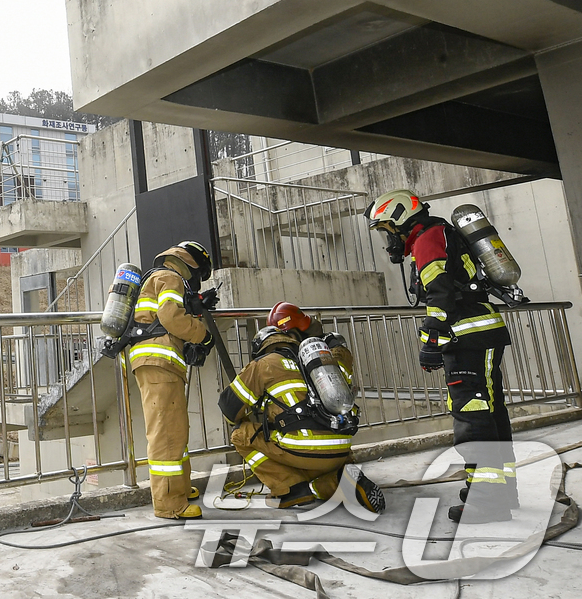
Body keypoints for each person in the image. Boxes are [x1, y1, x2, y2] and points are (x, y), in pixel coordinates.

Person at [366, 188, 515, 522]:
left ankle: (488, 501)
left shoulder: (427, 239)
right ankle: (500, 492)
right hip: (480, 333)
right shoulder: (439, 232)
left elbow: (440, 293)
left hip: (467, 338)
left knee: (472, 417)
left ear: (400, 218)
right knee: (490, 412)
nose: (389, 239)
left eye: (387, 229)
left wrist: (431, 341)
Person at [219, 302, 385, 512]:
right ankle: (337, 481)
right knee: (312, 464)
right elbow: (344, 374)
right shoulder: (322, 362)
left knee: (240, 435)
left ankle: (290, 489)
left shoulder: (264, 364)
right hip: (341, 449)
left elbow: (229, 409)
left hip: (303, 449)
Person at [127, 240, 219, 519]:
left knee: (175, 429)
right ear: (192, 265)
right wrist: (203, 335)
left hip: (158, 363)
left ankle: (180, 487)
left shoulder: (160, 277)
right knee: (166, 433)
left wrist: (195, 304)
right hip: (159, 363)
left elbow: (166, 311)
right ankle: (169, 503)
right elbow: (170, 317)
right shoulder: (170, 277)